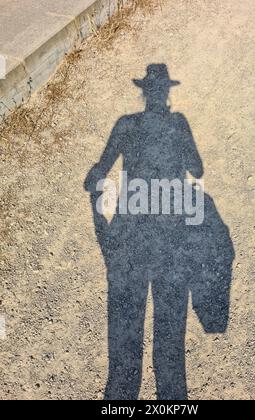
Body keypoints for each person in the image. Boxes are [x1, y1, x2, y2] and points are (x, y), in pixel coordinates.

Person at [85, 64, 235, 400]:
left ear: (143, 92)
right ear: (166, 92)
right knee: (169, 344)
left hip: (130, 241)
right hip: (170, 243)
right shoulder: (178, 123)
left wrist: (103, 229)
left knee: (125, 346)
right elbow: (197, 168)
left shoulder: (126, 125)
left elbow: (96, 175)